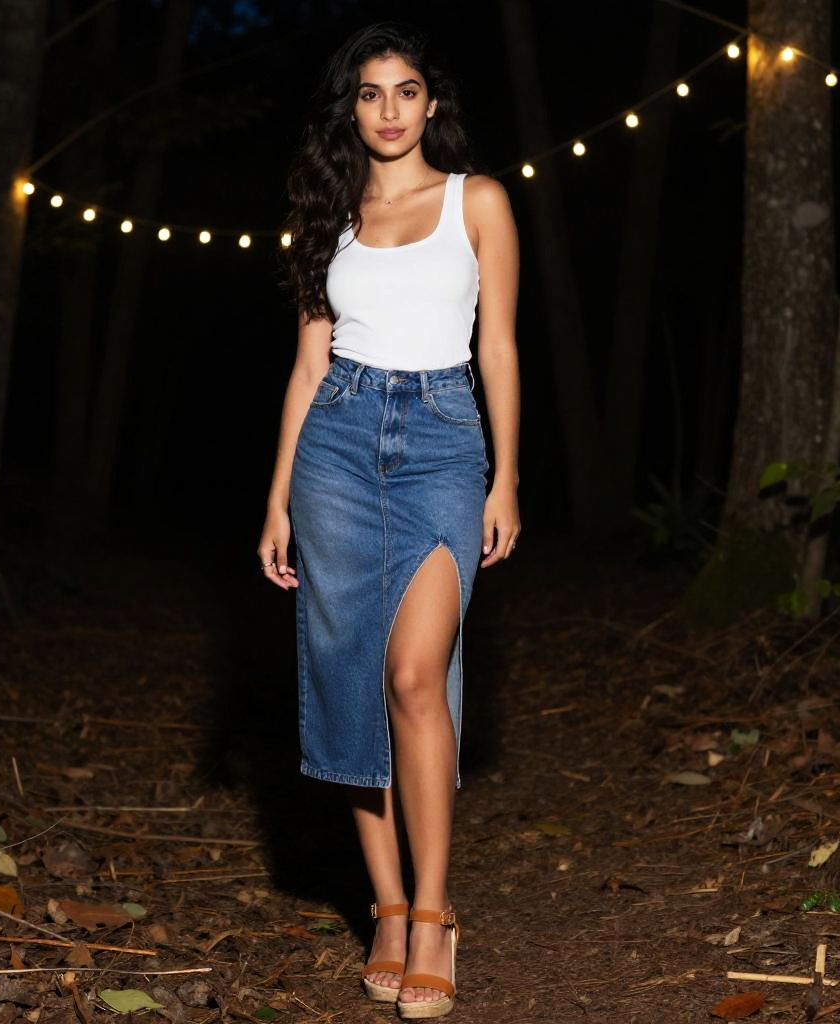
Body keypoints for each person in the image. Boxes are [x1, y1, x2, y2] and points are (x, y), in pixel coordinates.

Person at [257, 21, 519, 1020]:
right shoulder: (326, 214)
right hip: (334, 445)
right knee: (354, 687)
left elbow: (498, 348)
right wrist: (277, 497)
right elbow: (306, 366)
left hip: (444, 443)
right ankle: (391, 908)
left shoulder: (477, 201)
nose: (390, 110)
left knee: (415, 676)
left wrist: (506, 476)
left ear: (431, 102)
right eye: (370, 94)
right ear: (352, 110)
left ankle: (437, 914)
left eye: (406, 90)